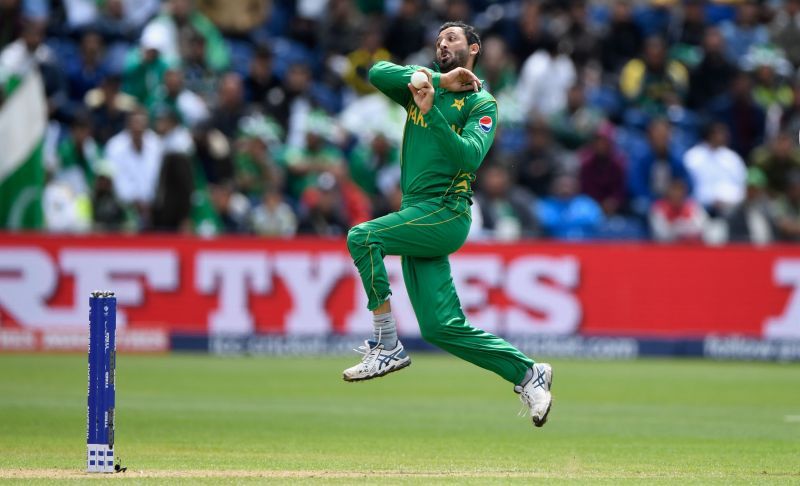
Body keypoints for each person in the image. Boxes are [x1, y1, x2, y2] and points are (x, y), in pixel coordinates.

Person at [342, 22, 553, 427]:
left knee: (362, 236)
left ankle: (386, 342)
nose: (442, 43)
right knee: (441, 328)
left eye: (452, 38)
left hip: (446, 212)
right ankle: (529, 373)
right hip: (417, 214)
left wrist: (430, 113)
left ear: (473, 49)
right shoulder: (424, 84)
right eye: (438, 40)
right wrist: (434, 82)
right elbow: (376, 72)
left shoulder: (481, 103)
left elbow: (469, 158)